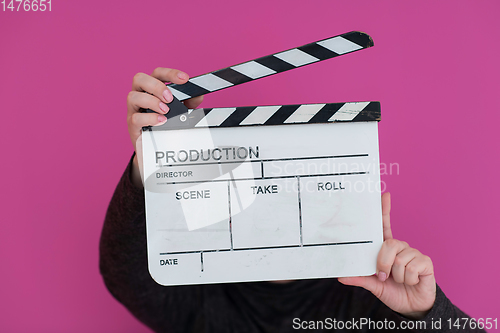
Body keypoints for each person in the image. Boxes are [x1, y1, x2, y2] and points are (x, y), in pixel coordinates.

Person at [99, 68, 486, 332]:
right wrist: (150, 163)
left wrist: (427, 313)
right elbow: (124, 273)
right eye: (265, 184)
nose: (279, 205)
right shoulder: (200, 296)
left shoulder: (372, 301)